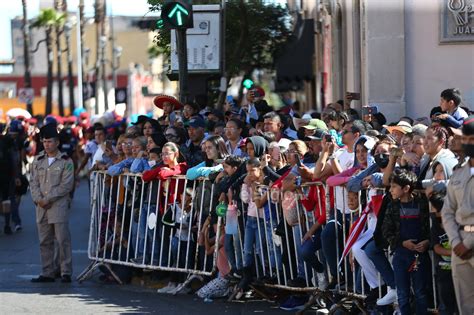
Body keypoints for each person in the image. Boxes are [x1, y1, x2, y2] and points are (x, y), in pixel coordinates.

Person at [30, 124, 75, 283]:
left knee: (62, 239)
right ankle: (47, 271)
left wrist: (48, 199)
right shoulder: (37, 160)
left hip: (58, 205)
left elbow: (67, 185)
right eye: (44, 141)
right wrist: (38, 199)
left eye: (50, 141)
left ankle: (65, 271)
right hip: (41, 207)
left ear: (57, 142)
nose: (47, 144)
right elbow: (33, 183)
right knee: (45, 241)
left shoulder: (65, 161)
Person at [383, 169, 430, 315]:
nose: (391, 190)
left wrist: (427, 242)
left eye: (394, 187)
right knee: (402, 294)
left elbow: (430, 228)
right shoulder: (392, 206)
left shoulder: (421, 205)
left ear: (406, 188)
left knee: (420, 292)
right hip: (401, 255)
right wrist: (402, 243)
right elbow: (386, 231)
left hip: (419, 256)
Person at [441, 115, 474, 315]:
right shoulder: (459, 173)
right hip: (459, 245)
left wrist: (468, 243)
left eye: (471, 139)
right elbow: (447, 210)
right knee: (466, 306)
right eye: (466, 139)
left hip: (468, 243)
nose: (467, 143)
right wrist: (455, 242)